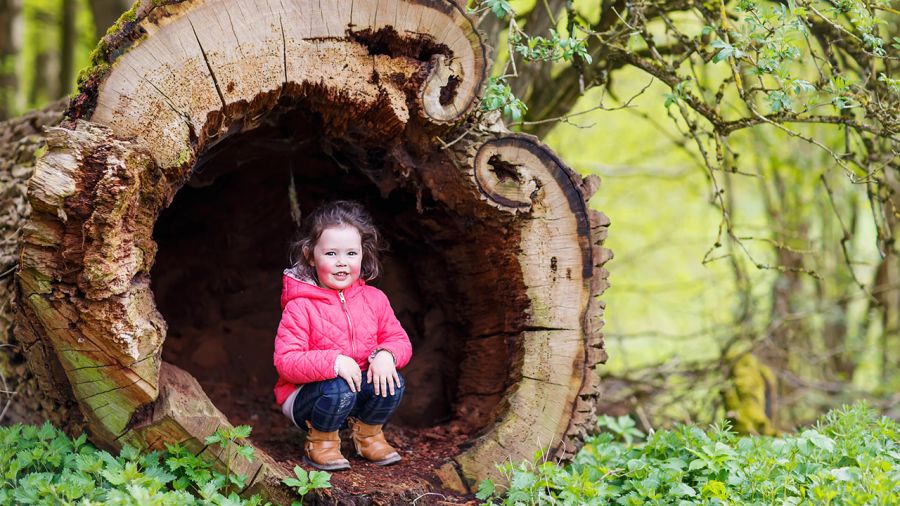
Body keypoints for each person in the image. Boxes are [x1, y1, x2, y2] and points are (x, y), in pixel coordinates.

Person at [273, 200, 412, 471]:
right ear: (311, 255)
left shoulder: (375, 299)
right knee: (338, 386)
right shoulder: (300, 305)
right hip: (307, 398)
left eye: (351, 254)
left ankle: (368, 435)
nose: (342, 263)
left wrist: (386, 354)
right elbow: (286, 362)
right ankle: (321, 443)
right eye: (331, 254)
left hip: (354, 392)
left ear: (363, 254)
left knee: (393, 381)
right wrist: (334, 361)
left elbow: (400, 340)